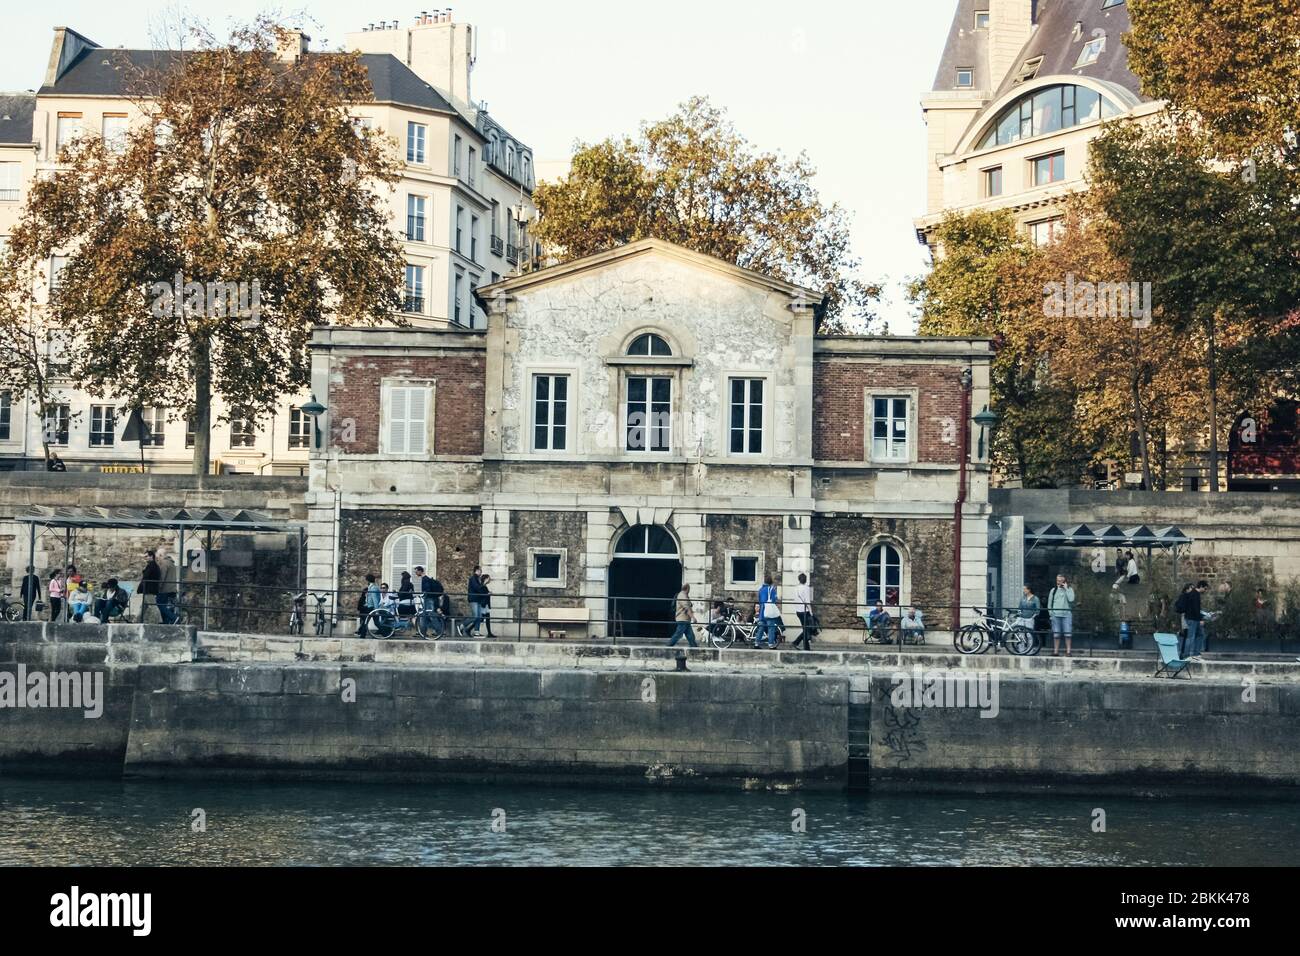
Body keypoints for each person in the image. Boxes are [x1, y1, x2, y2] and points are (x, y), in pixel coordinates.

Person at [1048, 574, 1076, 657]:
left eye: (1061, 580)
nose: (1059, 582)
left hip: (1066, 615)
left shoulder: (1069, 589)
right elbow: (1050, 603)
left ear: (1064, 581)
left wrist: (1066, 588)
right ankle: (1056, 651)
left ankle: (1068, 651)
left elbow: (1071, 599)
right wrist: (1051, 613)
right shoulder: (1053, 590)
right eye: (1057, 580)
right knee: (1056, 634)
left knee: (1068, 633)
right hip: (1056, 615)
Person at [1182, 580, 1209, 662]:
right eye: (1205, 588)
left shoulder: (1194, 594)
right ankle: (1186, 655)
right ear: (1200, 586)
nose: (1205, 590)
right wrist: (1200, 619)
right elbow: (1195, 609)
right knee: (1191, 637)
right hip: (1192, 619)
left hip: (1193, 619)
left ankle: (1196, 654)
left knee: (1200, 634)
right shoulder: (1195, 594)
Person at [754, 574, 780, 649]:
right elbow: (774, 600)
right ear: (771, 582)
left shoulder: (761, 590)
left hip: (762, 612)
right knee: (771, 628)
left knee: (761, 628)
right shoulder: (772, 589)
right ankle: (771, 644)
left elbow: (759, 600)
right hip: (769, 612)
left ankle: (756, 643)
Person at [792, 573, 816, 651]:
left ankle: (807, 648)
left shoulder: (796, 588)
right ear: (805, 580)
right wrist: (811, 612)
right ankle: (796, 642)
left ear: (799, 579)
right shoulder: (806, 588)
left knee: (805, 628)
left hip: (798, 611)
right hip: (805, 611)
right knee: (807, 629)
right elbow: (807, 601)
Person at [668, 583, 697, 648]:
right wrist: (693, 617)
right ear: (687, 589)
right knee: (679, 633)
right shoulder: (682, 596)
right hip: (682, 618)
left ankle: (694, 646)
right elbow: (687, 608)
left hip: (685, 619)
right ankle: (669, 645)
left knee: (690, 634)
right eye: (689, 589)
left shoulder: (684, 595)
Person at [139, 549, 161, 623]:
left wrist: (144, 571)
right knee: (143, 608)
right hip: (148, 589)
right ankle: (137, 620)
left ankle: (159, 621)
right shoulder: (152, 565)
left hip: (149, 589)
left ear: (151, 556)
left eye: (146, 556)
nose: (145, 558)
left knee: (152, 606)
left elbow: (146, 576)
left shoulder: (152, 565)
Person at [157, 551, 179, 625]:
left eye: (158, 557)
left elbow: (162, 577)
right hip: (172, 589)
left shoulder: (164, 563)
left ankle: (173, 617)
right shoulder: (171, 563)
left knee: (160, 605)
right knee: (165, 606)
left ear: (161, 555)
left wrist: (158, 588)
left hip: (165, 589)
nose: (158, 559)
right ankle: (166, 622)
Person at [466, 567, 488, 637]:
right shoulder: (473, 578)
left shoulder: (477, 579)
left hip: (477, 600)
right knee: (475, 616)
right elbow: (477, 588)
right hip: (473, 600)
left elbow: (479, 589)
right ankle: (462, 624)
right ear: (477, 571)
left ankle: (476, 632)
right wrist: (484, 584)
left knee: (479, 616)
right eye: (480, 571)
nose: (481, 573)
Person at [479, 574, 496, 639]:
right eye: (489, 578)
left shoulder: (484, 586)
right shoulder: (482, 586)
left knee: (486, 619)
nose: (490, 580)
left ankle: (489, 633)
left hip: (485, 605)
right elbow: (482, 595)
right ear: (485, 579)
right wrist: (488, 593)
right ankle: (468, 629)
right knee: (481, 619)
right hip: (483, 605)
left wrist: (488, 593)